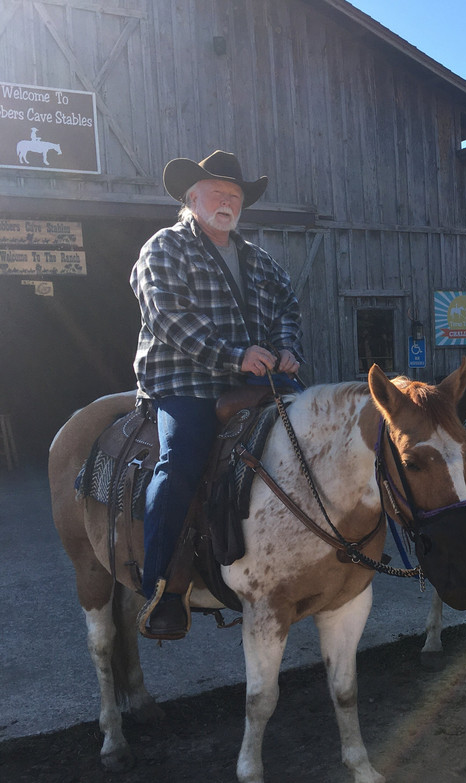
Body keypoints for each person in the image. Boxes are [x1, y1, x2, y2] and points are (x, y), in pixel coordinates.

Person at [131, 150, 304, 639]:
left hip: (255, 379)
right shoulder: (164, 248)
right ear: (191, 198)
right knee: (181, 460)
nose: (228, 202)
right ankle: (162, 588)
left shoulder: (259, 259)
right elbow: (166, 316)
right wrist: (234, 355)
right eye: (217, 193)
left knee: (312, 440)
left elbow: (288, 307)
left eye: (235, 195)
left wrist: (287, 346)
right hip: (184, 382)